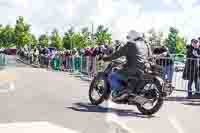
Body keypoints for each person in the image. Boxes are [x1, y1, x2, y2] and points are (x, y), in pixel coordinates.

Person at [102, 30, 149, 101]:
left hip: (132, 69)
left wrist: (106, 58)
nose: (128, 39)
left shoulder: (130, 44)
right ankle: (128, 92)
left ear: (131, 37)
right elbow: (139, 57)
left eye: (128, 37)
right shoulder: (145, 45)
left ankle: (122, 92)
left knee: (112, 76)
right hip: (143, 69)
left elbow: (117, 54)